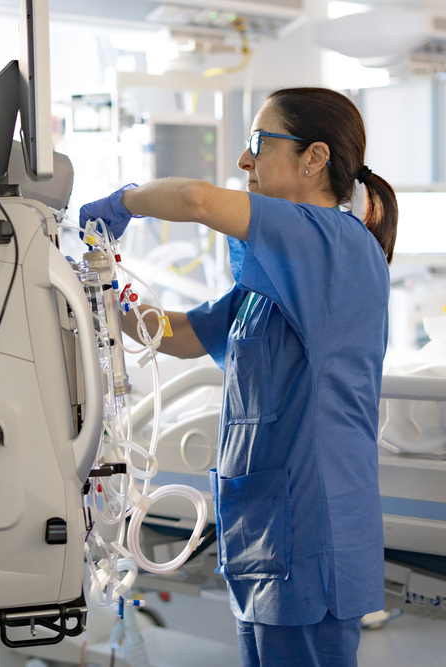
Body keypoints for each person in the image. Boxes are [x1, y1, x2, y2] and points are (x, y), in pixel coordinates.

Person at [79, 87, 398, 667]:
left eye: (257, 143)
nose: (243, 161)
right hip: (266, 535)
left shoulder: (336, 243)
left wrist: (127, 200)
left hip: (309, 533)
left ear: (314, 157)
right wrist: (97, 290)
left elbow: (199, 200)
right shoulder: (268, 285)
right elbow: (174, 334)